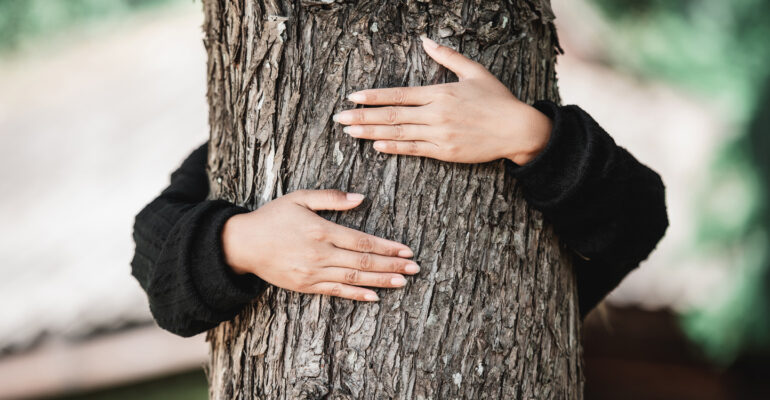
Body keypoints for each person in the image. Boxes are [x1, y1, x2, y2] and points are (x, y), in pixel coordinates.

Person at [131, 36, 668, 337]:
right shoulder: (252, 132)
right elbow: (154, 255)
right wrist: (238, 243)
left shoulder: (507, 83)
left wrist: (530, 135)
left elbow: (640, 218)